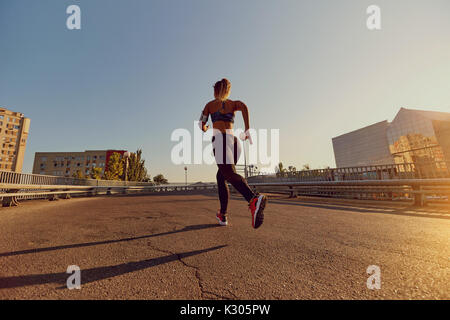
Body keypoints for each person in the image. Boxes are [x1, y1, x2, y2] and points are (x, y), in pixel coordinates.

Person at [199, 78, 267, 228]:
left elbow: (201, 124)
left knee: (228, 174)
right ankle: (222, 215)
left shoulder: (209, 105)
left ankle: (253, 199)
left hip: (220, 140)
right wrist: (247, 128)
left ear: (215, 90)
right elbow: (244, 106)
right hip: (235, 143)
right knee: (221, 176)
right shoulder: (233, 103)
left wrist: (205, 128)